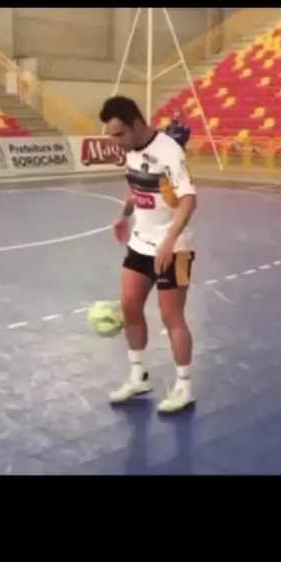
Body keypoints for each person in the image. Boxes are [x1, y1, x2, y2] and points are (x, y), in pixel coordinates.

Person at [99, 95, 197, 413]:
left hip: (175, 248)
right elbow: (136, 186)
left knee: (172, 316)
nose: (115, 142)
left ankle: (184, 387)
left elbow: (189, 200)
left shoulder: (169, 151)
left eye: (119, 134)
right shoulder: (130, 150)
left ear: (136, 125)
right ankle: (138, 375)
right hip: (141, 242)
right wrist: (123, 214)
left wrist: (170, 240)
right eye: (111, 136)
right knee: (129, 305)